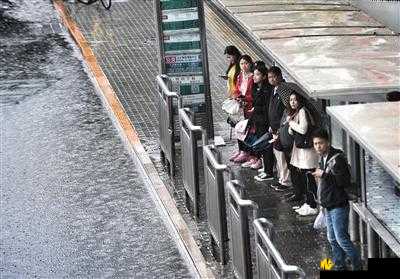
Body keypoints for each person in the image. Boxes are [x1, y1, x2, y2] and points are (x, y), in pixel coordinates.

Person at [311, 129, 362, 271]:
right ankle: (339, 265)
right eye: (315, 144)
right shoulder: (322, 157)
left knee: (341, 239)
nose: (317, 146)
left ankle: (357, 265)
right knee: (332, 239)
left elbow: (343, 181)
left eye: (320, 143)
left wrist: (324, 175)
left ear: (327, 142)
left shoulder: (337, 158)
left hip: (339, 205)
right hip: (328, 205)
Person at [255, 66, 292, 190]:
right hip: (274, 127)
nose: (271, 79)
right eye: (270, 77)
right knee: (278, 155)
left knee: (282, 157)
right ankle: (282, 178)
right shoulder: (274, 89)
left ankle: (285, 181)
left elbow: (286, 110)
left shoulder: (284, 90)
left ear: (280, 76)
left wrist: (280, 126)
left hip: (281, 128)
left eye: (273, 77)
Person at [284, 92, 319, 216]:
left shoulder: (303, 111)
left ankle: (312, 204)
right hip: (302, 150)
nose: (292, 102)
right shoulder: (297, 112)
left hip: (307, 151)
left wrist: (291, 123)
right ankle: (308, 202)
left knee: (309, 178)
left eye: (295, 100)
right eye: (291, 100)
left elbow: (303, 129)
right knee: (306, 177)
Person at [240, 63, 273, 169]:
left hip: (265, 121)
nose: (254, 77)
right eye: (254, 74)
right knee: (258, 140)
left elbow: (267, 107)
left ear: (264, 76)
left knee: (265, 144)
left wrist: (256, 109)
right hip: (257, 120)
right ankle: (262, 163)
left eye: (257, 74)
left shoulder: (267, 90)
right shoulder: (255, 88)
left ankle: (268, 168)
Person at [229, 55, 255, 163]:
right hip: (240, 107)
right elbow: (237, 89)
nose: (244, 66)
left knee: (247, 130)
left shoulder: (253, 77)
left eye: (246, 63)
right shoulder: (240, 76)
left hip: (249, 107)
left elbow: (253, 94)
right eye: (241, 63)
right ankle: (241, 150)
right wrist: (237, 97)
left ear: (250, 64)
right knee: (238, 128)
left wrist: (244, 98)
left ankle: (247, 152)